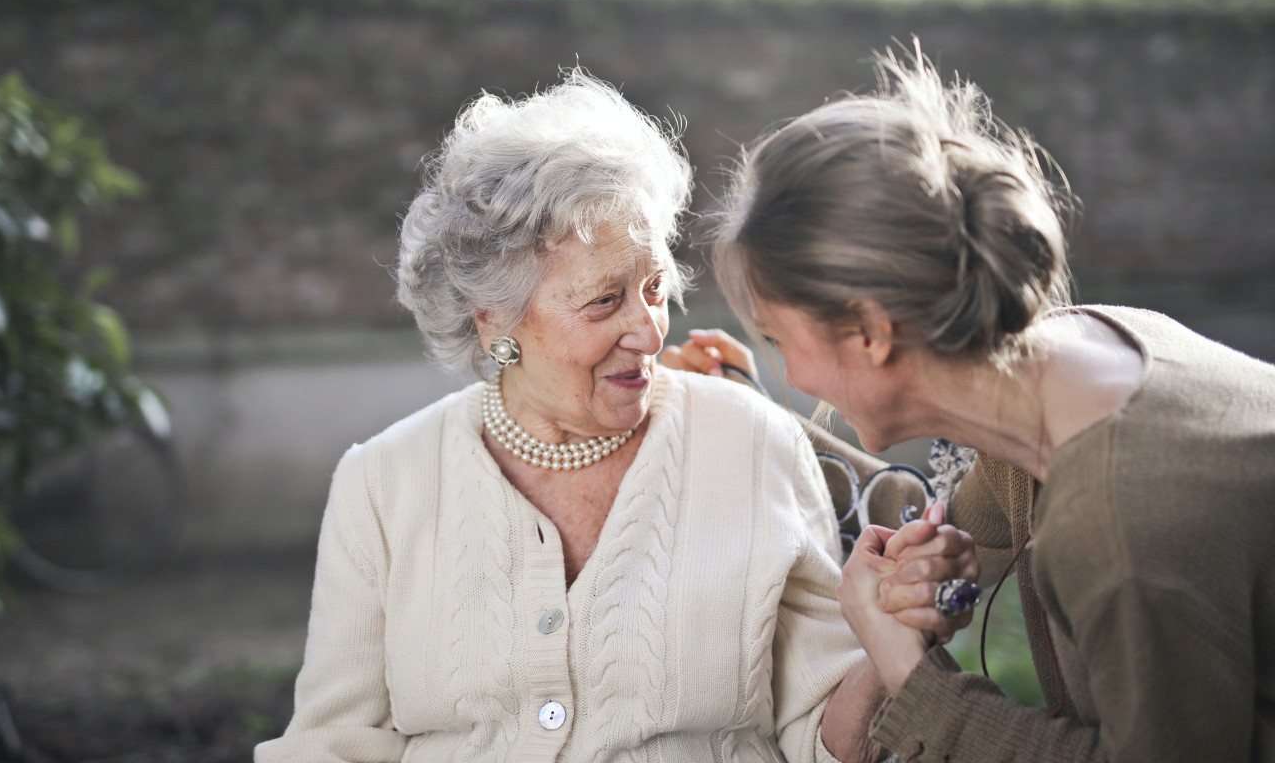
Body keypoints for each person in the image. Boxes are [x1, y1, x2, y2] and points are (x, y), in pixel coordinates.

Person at [254, 69, 977, 763]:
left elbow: (822, 740)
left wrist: (890, 638)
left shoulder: (752, 443)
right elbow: (332, 744)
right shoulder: (382, 484)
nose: (648, 329)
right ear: (492, 319)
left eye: (655, 286)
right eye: (605, 301)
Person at [694, 44, 1275, 762]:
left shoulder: (1120, 522)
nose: (794, 374)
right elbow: (931, 544)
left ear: (872, 333)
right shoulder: (1069, 363)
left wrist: (912, 676)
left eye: (782, 339)